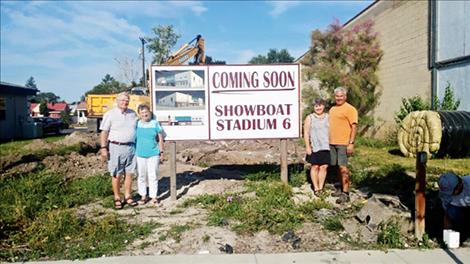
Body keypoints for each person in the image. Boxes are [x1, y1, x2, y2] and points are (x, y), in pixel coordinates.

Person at [100, 92, 138, 209]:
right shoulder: (110, 114)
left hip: (131, 147)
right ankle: (117, 197)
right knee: (116, 173)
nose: (125, 102)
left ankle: (128, 196)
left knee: (129, 173)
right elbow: (104, 132)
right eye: (122, 100)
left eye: (127, 100)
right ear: (117, 101)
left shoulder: (133, 114)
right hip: (116, 146)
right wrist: (103, 148)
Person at [329, 87, 358, 204]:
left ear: (345, 97)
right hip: (331, 143)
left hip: (343, 143)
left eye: (341, 96)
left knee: (343, 167)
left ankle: (346, 193)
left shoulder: (350, 109)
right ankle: (339, 188)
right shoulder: (332, 109)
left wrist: (351, 143)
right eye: (337, 96)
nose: (339, 98)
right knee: (335, 166)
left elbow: (354, 127)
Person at [135, 104, 164, 206]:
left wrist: (161, 152)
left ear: (150, 112)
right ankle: (143, 195)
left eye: (146, 112)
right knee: (141, 175)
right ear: (139, 114)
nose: (144, 114)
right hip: (140, 153)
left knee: (153, 175)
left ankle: (154, 197)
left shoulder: (155, 123)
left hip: (153, 153)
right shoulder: (137, 124)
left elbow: (160, 138)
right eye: (142, 112)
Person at [304, 98, 330, 196]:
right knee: (315, 166)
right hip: (314, 146)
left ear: (323, 106)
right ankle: (316, 188)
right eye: (316, 106)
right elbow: (306, 133)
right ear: (313, 107)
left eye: (320, 105)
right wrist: (307, 146)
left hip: (326, 146)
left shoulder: (328, 117)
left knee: (324, 167)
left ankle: (321, 187)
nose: (318, 108)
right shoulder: (309, 117)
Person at [438, 172, 470, 239]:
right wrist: (447, 234)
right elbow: (446, 213)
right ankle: (463, 233)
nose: (449, 195)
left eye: (451, 192)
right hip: (462, 211)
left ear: (459, 185)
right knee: (452, 211)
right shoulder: (445, 195)